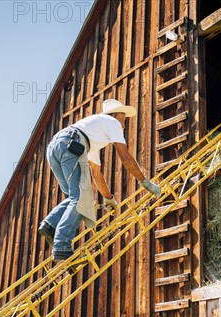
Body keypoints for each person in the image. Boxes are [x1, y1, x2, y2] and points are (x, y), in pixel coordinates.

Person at [38, 99, 162, 262]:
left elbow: (97, 174)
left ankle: (50, 225)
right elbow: (125, 157)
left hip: (56, 147)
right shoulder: (112, 122)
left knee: (73, 197)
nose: (124, 124)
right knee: (82, 198)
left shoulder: (92, 132)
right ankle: (61, 245)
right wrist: (145, 182)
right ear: (118, 115)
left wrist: (109, 198)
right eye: (124, 119)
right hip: (71, 144)